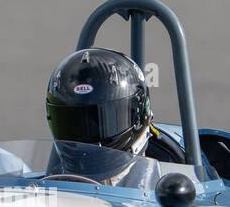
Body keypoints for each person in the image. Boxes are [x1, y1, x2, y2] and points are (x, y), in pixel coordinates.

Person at [43, 47, 186, 185]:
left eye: (101, 121)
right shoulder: (55, 180)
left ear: (137, 116)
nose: (86, 139)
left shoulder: (171, 177)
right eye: (73, 123)